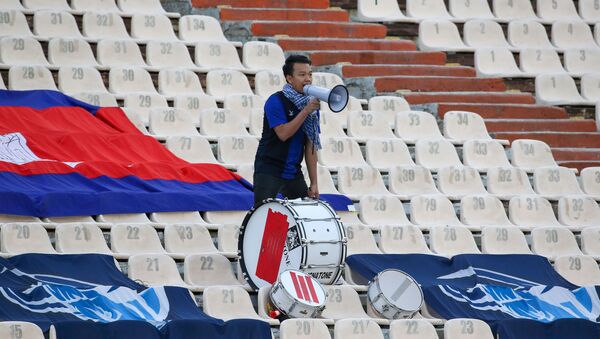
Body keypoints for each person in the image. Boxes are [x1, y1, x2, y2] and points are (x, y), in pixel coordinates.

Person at [253, 55, 321, 206]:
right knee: (261, 214)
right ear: (289, 78)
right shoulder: (275, 101)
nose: (308, 79)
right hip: (269, 169)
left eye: (310, 74)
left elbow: (311, 146)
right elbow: (283, 134)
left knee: (304, 216)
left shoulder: (311, 106)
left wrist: (314, 182)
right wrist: (305, 111)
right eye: (302, 75)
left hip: (293, 172)